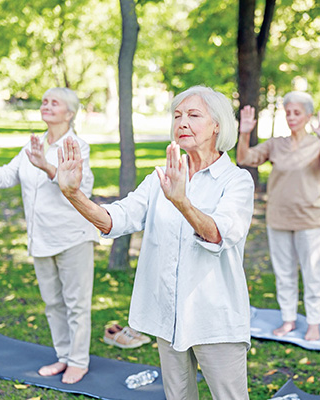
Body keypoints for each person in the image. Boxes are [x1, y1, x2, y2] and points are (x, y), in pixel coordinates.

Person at [56, 86, 254, 400]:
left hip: (215, 317)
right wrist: (74, 195)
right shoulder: (160, 178)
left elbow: (219, 233)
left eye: (193, 115)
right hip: (167, 314)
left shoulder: (237, 181)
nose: (182, 122)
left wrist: (182, 202)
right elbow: (116, 219)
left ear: (218, 125)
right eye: (177, 116)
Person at [0, 87, 98, 384]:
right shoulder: (33, 144)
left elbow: (82, 190)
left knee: (76, 303)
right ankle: (64, 357)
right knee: (53, 303)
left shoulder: (77, 146)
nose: (47, 105)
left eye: (55, 102)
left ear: (70, 113)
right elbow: (2, 178)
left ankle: (79, 361)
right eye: (44, 100)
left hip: (73, 237)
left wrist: (48, 167)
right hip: (41, 239)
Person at [237, 91, 320, 341]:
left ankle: (314, 323)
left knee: (312, 274)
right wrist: (244, 132)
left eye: (297, 112)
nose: (291, 117)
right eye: (288, 112)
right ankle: (288, 319)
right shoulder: (276, 144)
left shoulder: (317, 144)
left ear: (308, 115)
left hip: (311, 220)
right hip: (279, 218)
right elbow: (244, 158)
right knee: (284, 273)